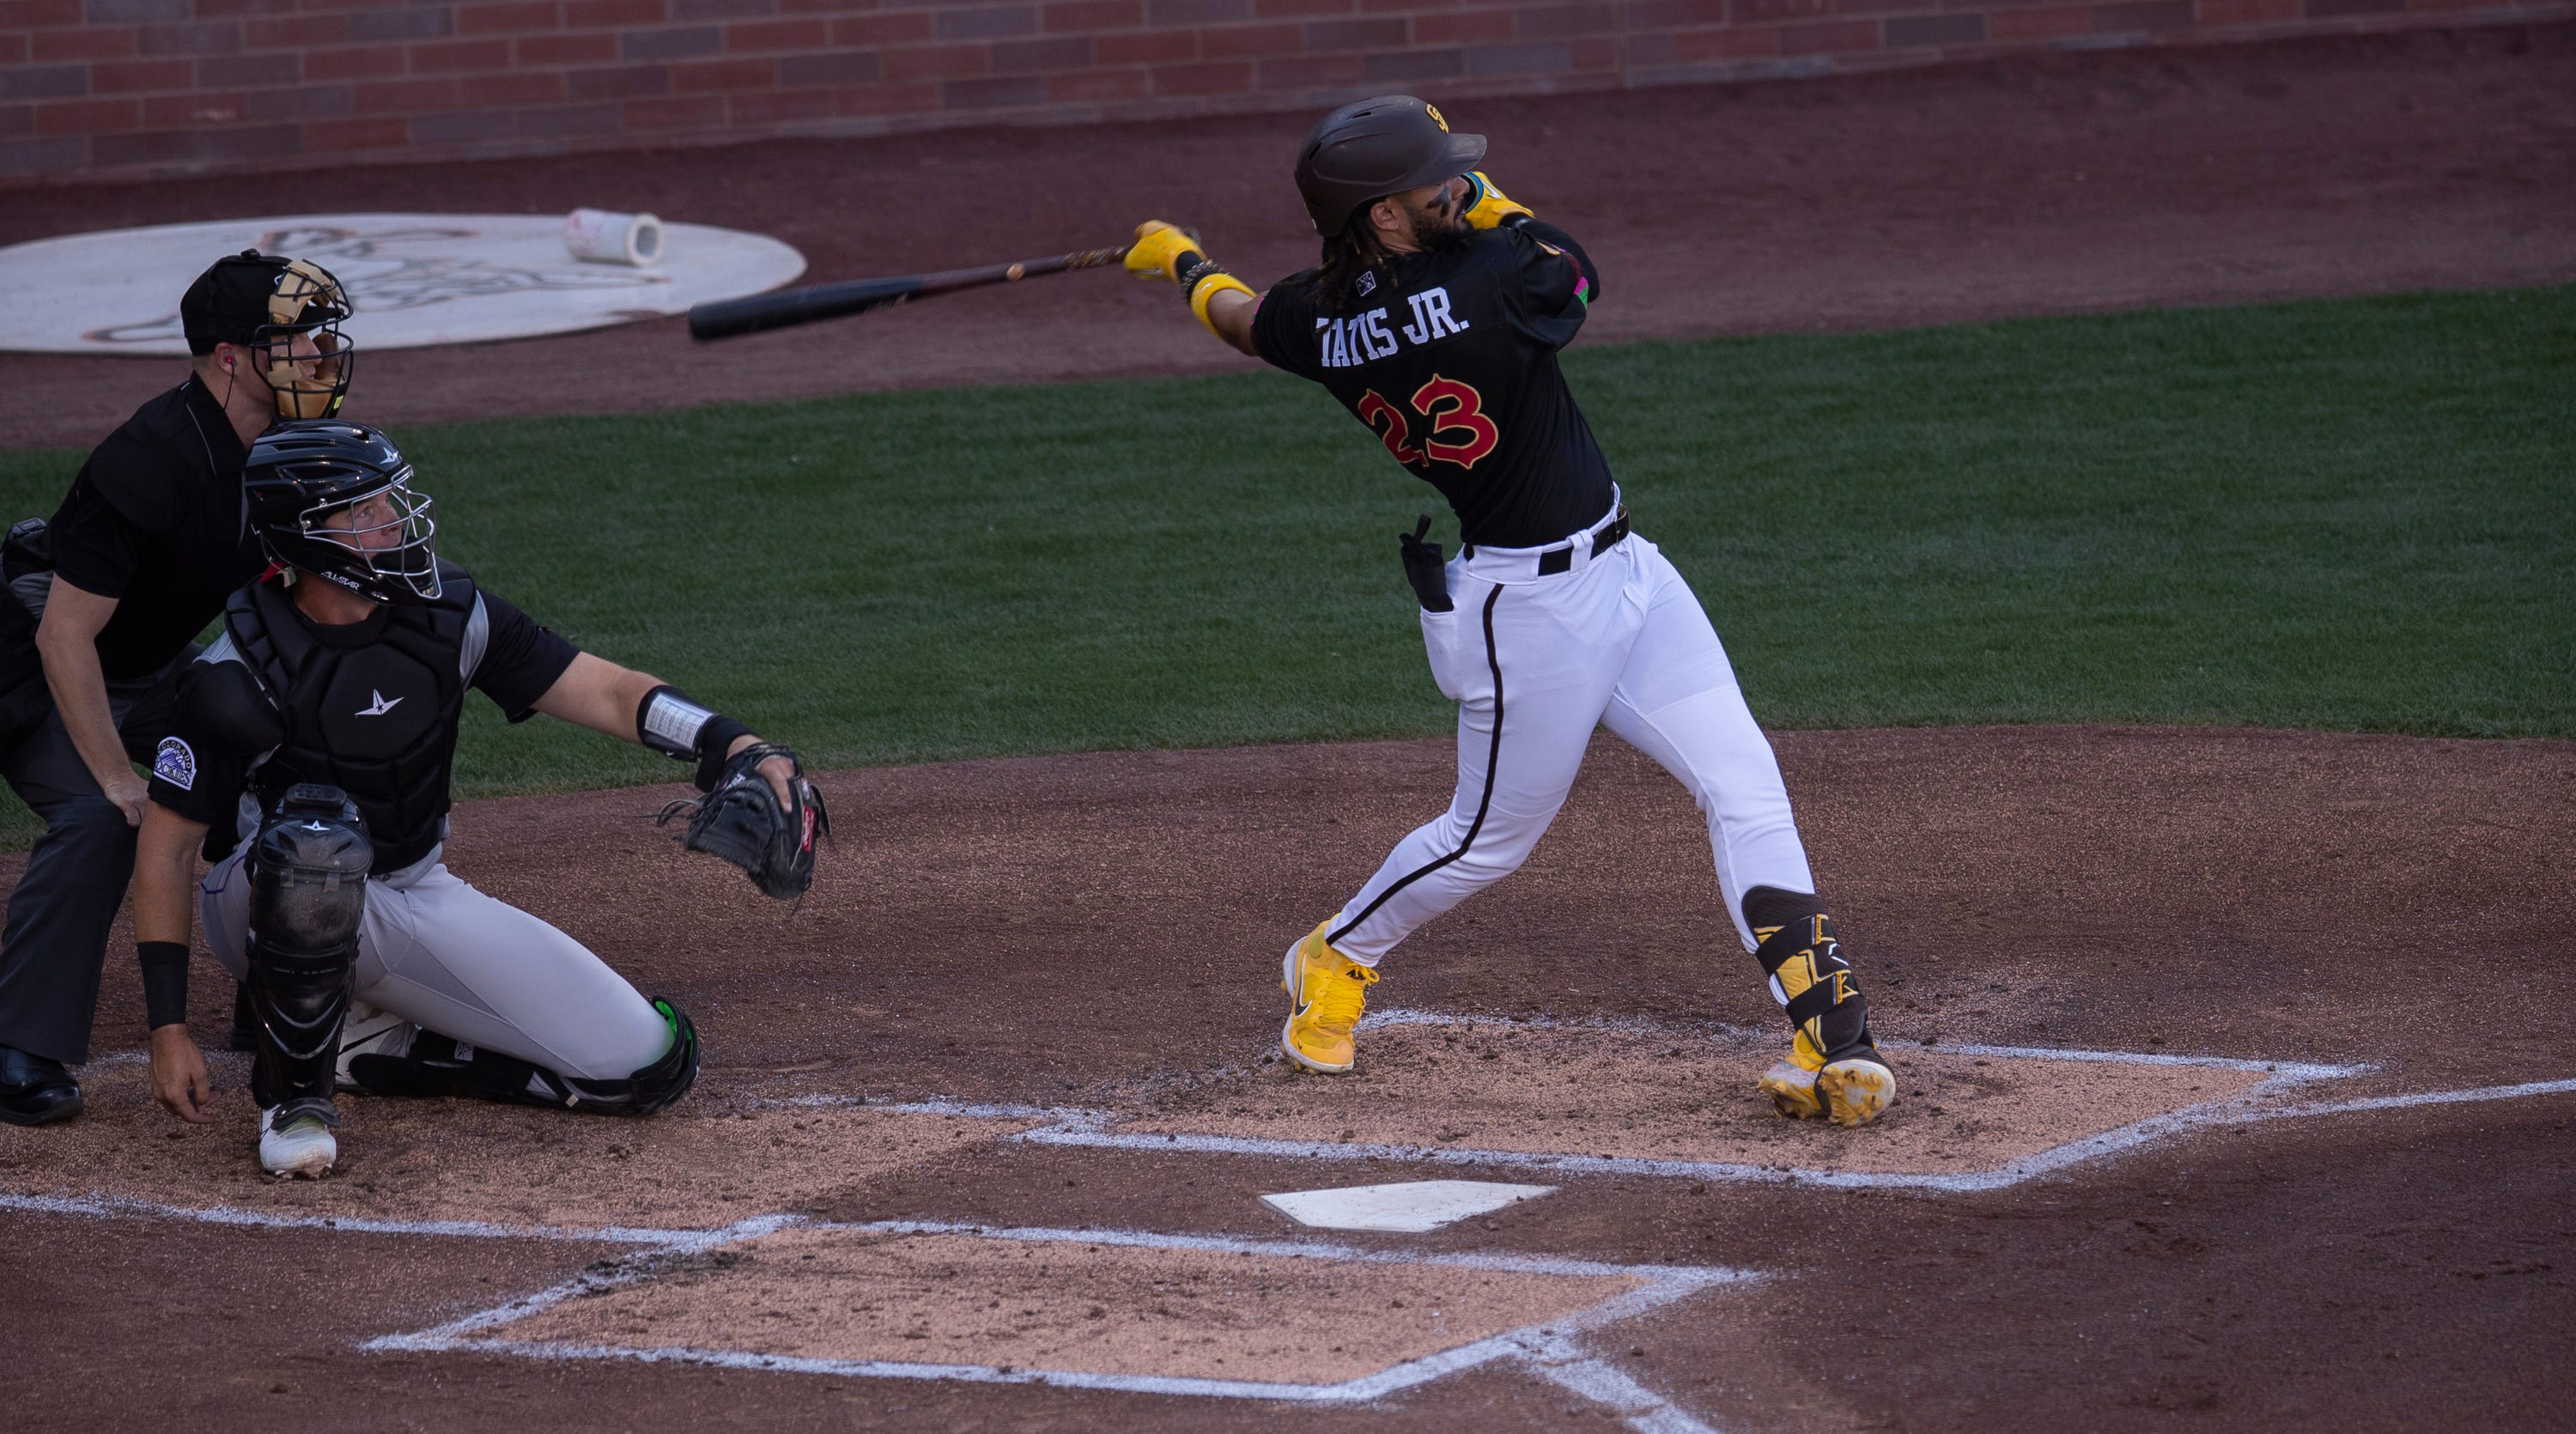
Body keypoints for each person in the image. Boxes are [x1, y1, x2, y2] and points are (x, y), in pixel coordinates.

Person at [1122, 95, 1898, 1126]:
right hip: (1527, 613)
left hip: (1632, 574)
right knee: (1486, 838)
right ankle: (1334, 956)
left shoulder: (1319, 318)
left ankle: (1833, 1040)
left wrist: (1180, 261)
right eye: (1432, 180)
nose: (1458, 184)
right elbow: (1571, 267)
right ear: (1385, 219)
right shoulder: (1493, 279)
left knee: (1743, 782)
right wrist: (1484, 200)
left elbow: (1240, 317)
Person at [131, 420, 823, 1177]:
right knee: (312, 848)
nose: (392, 520)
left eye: (390, 499)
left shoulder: (450, 613)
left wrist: (729, 742)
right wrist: (168, 1027)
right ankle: (294, 1097)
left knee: (648, 1062)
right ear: (304, 538)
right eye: (364, 511)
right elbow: (166, 848)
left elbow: (604, 690)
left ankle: (373, 1050)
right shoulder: (235, 672)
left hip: (412, 891)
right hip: (260, 903)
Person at [0, 252, 351, 1127]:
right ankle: (19, 1043)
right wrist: (121, 775)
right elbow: (64, 636)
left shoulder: (282, 446)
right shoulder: (151, 458)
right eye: (299, 337)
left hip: (154, 664)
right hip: (37, 659)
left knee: (272, 755)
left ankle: (274, 988)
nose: (323, 351)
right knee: (99, 816)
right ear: (232, 356)